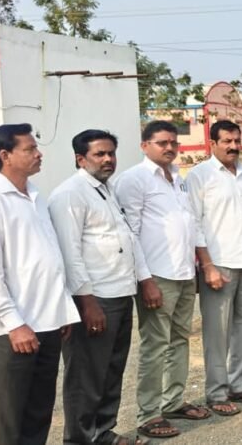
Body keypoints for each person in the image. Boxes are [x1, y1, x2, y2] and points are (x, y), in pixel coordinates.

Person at [0, 124, 80, 445]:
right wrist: (14, 324)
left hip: (47, 323)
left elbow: (48, 257)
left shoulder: (35, 196)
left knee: (37, 413)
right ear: (5, 156)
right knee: (4, 418)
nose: (39, 153)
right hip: (12, 330)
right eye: (30, 149)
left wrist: (61, 310)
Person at [48, 130, 155, 444]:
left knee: (111, 370)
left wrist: (143, 279)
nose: (108, 159)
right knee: (85, 375)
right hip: (95, 298)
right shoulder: (70, 194)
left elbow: (127, 239)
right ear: (80, 159)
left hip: (120, 293)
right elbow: (70, 254)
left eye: (111, 153)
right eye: (100, 154)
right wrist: (88, 303)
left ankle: (102, 430)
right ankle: (80, 438)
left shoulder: (106, 190)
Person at [115, 120, 211, 439]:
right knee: (155, 345)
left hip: (183, 273)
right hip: (156, 276)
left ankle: (173, 401)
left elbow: (191, 223)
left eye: (173, 142)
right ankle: (149, 413)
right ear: (145, 146)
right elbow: (131, 233)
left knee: (180, 340)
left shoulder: (177, 179)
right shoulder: (134, 179)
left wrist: (201, 265)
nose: (169, 147)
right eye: (161, 142)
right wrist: (145, 281)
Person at [185, 120, 242, 415]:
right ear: (212, 144)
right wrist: (207, 265)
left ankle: (240, 385)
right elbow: (193, 223)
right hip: (219, 265)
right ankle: (217, 392)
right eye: (226, 141)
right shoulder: (200, 176)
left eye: (236, 140)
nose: (233, 146)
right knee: (217, 332)